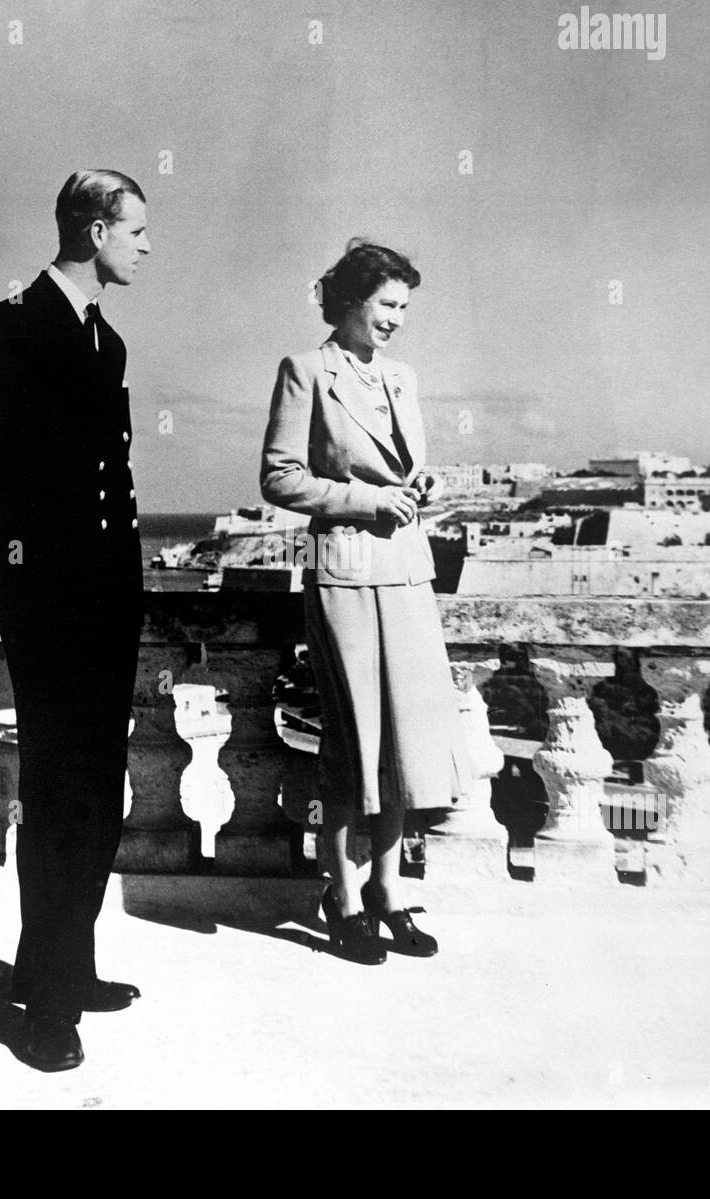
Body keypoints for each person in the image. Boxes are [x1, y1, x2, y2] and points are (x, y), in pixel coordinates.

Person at [0, 169, 151, 1070]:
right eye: (137, 230)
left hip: (105, 596)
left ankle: (63, 961)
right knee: (62, 793)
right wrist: (12, 570)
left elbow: (108, 481)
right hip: (51, 604)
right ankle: (48, 1008)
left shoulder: (103, 340)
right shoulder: (11, 327)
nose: (146, 246)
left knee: (98, 789)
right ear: (96, 229)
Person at [260, 240, 472, 965]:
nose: (397, 321)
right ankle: (342, 894)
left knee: (409, 742)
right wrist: (367, 500)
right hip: (347, 571)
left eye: (405, 308)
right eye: (387, 305)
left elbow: (407, 464)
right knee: (354, 746)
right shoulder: (305, 372)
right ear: (351, 301)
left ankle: (386, 889)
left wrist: (421, 488)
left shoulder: (403, 378)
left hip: (408, 572)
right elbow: (281, 478)